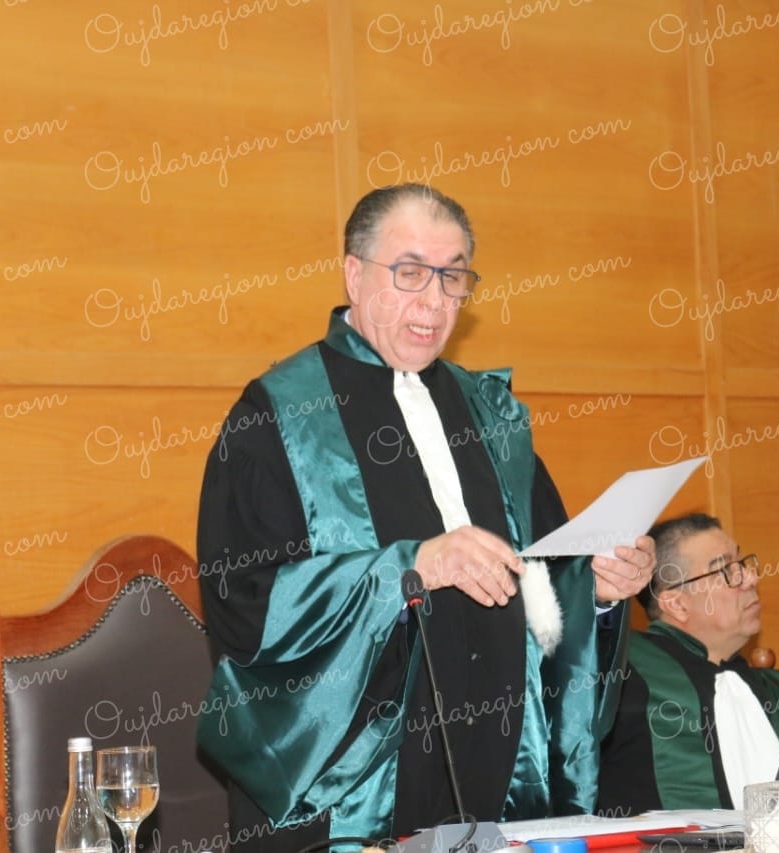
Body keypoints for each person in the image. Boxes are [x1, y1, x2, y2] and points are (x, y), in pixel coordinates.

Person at [195, 183, 656, 850]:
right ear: (354, 274)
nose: (435, 301)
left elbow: (546, 579)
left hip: (501, 767)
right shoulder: (280, 415)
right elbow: (244, 606)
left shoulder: (491, 415)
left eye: (453, 277)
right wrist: (408, 568)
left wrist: (601, 587)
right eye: (410, 273)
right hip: (351, 789)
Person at [597, 513, 779, 814]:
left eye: (742, 564)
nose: (751, 579)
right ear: (677, 603)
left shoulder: (772, 689)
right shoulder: (623, 672)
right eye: (726, 570)